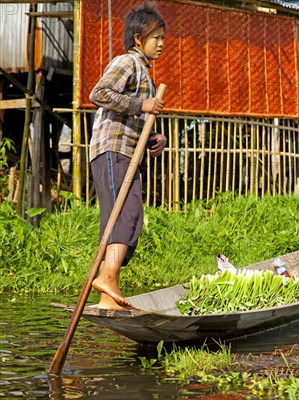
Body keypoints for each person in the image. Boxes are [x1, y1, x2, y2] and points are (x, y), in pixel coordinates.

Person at [89, 2, 167, 309]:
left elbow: (137, 119)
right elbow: (99, 94)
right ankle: (107, 278)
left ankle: (108, 293)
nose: (161, 44)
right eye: (155, 37)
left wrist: (156, 138)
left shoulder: (145, 75)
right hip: (113, 149)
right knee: (126, 214)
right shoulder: (127, 62)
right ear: (138, 39)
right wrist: (142, 106)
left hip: (127, 151)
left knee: (125, 218)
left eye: (163, 38)